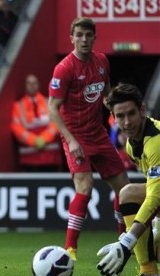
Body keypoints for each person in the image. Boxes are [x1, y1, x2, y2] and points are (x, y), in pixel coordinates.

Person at [48, 17, 129, 261]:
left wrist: (116, 115)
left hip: (99, 134)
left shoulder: (102, 61)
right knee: (85, 187)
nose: (84, 39)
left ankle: (124, 242)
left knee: (124, 189)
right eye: (79, 35)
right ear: (72, 38)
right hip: (77, 136)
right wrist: (71, 141)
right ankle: (71, 249)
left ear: (94, 37)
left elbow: (105, 94)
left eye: (88, 35)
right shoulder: (64, 68)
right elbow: (52, 108)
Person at [96, 84, 160, 276]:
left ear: (142, 110)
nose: (126, 122)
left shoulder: (155, 141)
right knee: (127, 193)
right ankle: (147, 271)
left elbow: (155, 196)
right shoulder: (132, 146)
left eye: (131, 114)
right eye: (120, 116)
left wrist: (128, 241)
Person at [11, 74, 61, 172]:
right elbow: (16, 127)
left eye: (34, 83)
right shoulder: (18, 106)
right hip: (29, 160)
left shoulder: (49, 103)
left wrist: (44, 138)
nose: (32, 86)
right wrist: (33, 140)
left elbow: (56, 124)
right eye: (29, 83)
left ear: (38, 85)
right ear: (25, 86)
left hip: (50, 158)